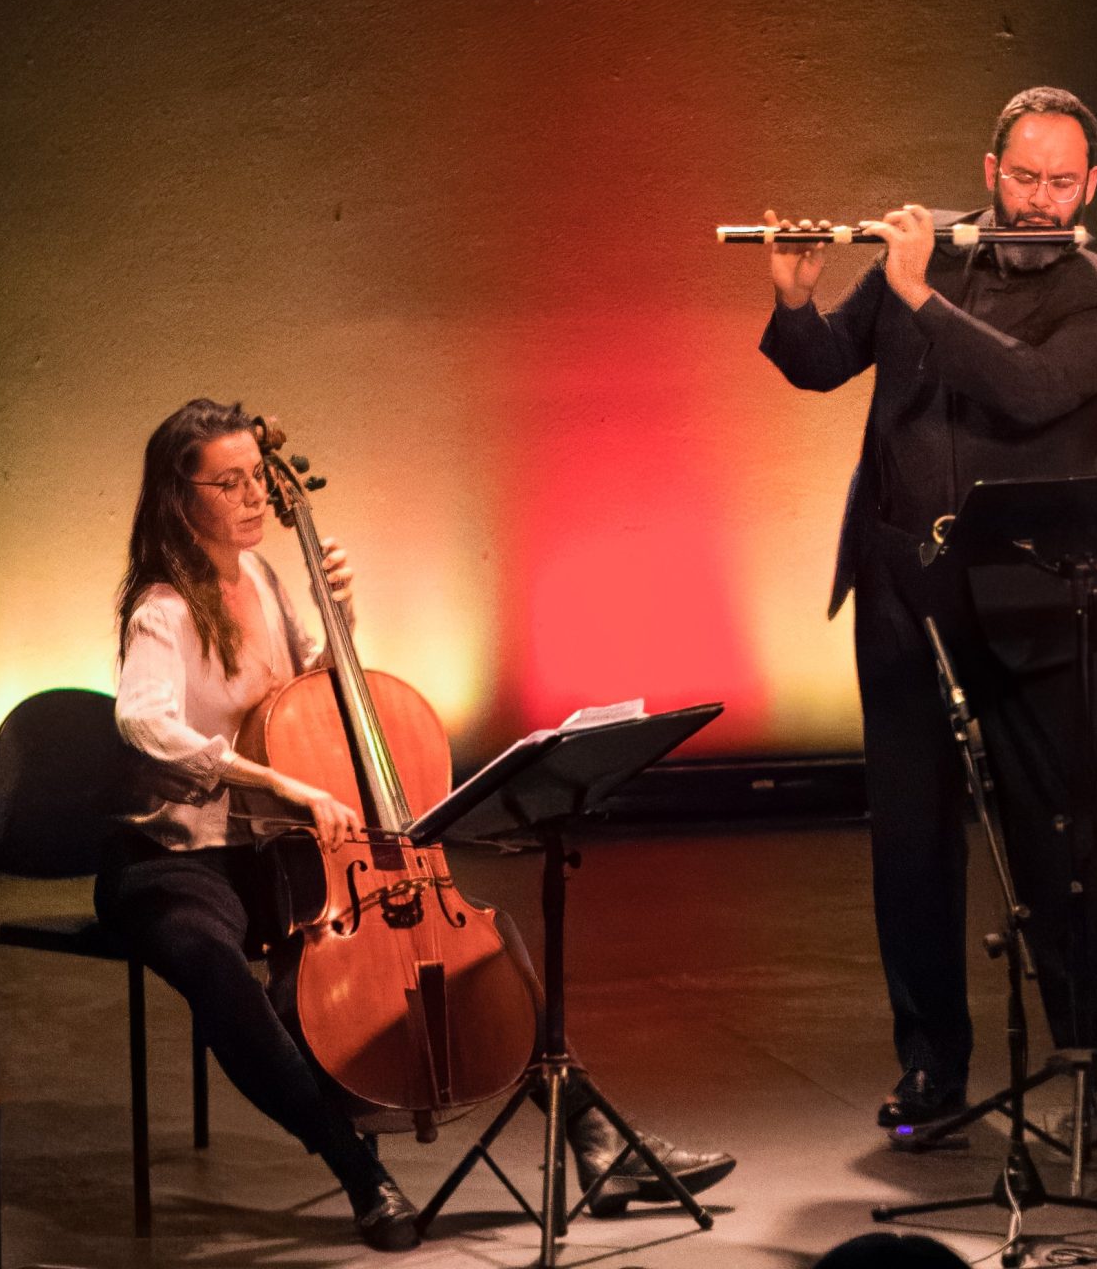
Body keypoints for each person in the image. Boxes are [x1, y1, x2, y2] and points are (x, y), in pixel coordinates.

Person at [97, 399, 731, 1251]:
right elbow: (142, 723)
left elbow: (310, 694)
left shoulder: (265, 580)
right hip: (171, 862)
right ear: (182, 499)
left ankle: (594, 1136)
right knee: (217, 972)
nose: (254, 497)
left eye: (257, 478)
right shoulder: (163, 608)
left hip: (270, 851)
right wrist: (271, 778)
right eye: (231, 482)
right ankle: (358, 1171)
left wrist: (341, 619)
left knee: (468, 943)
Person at [759, 87, 1097, 1134]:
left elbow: (1029, 390)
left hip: (1026, 595)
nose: (1038, 200)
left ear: (1089, 186)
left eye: (1059, 182)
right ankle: (932, 1069)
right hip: (901, 588)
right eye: (1022, 177)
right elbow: (822, 365)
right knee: (910, 842)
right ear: (990, 172)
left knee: (1054, 839)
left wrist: (919, 295)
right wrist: (797, 301)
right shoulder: (924, 246)